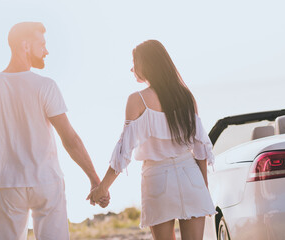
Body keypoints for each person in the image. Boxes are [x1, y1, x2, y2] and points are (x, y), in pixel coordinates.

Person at [0, 22, 108, 240]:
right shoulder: (45, 86)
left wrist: (1, 180)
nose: (46, 51)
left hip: (8, 184)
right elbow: (70, 139)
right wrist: (95, 180)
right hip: (46, 181)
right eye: (42, 44)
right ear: (25, 46)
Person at [87, 40, 216, 240]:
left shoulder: (137, 100)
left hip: (157, 179)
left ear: (148, 64)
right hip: (191, 177)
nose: (132, 68)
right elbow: (200, 151)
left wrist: (103, 187)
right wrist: (204, 189)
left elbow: (123, 152)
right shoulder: (186, 97)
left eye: (134, 62)